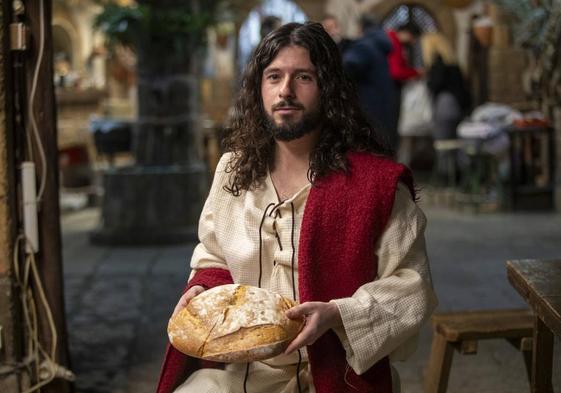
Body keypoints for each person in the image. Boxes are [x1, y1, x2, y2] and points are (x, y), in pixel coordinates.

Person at [157, 22, 437, 393]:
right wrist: (203, 288)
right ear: (259, 89)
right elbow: (213, 255)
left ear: (329, 88)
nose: (285, 91)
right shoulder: (232, 171)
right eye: (273, 77)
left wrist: (337, 313)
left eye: (303, 77)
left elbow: (412, 286)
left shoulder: (376, 186)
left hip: (335, 376)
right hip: (240, 375)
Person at [342, 16, 396, 149]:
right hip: (381, 107)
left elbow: (346, 67)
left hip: (367, 107)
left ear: (361, 28)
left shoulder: (365, 46)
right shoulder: (379, 45)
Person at [387, 22, 424, 150]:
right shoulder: (394, 42)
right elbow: (396, 72)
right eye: (413, 39)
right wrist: (416, 73)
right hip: (390, 91)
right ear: (408, 34)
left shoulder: (390, 39)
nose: (413, 42)